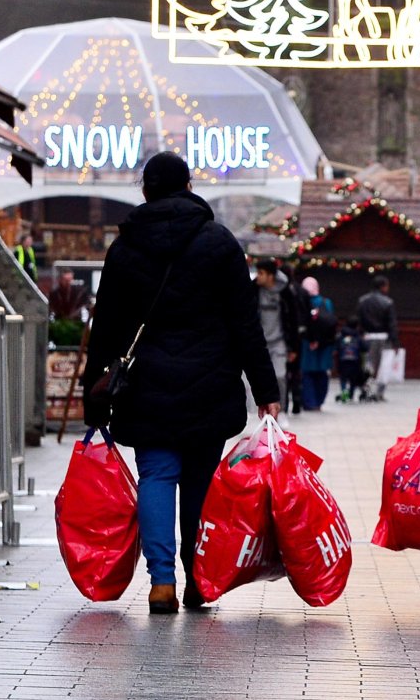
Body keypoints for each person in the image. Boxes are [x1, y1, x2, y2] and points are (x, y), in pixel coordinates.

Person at [82, 151, 280, 614]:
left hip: (146, 384)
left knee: (155, 474)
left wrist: (94, 395)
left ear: (146, 191)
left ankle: (161, 583)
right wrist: (266, 391)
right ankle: (198, 579)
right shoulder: (220, 242)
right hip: (209, 383)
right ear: (189, 187)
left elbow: (106, 326)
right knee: (198, 484)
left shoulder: (125, 247)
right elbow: (244, 324)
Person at [254, 258, 300, 427]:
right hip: (259, 343)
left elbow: (293, 320)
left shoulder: (285, 292)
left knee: (280, 375)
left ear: (271, 275)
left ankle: (281, 410)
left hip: (280, 341)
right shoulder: (254, 290)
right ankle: (263, 413)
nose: (257, 277)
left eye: (261, 273)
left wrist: (294, 346)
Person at [356, 275, 400, 401]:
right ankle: (379, 392)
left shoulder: (362, 301)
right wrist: (395, 342)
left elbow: (360, 321)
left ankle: (366, 389)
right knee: (384, 366)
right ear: (383, 286)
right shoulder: (388, 302)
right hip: (384, 338)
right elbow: (392, 324)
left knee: (368, 365)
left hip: (367, 336)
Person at [299, 276, 335, 411]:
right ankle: (319, 401)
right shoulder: (327, 303)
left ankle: (310, 402)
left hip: (307, 344)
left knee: (308, 375)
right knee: (322, 374)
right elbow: (331, 324)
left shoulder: (303, 302)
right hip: (325, 345)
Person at [280, 263, 309, 415]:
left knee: (282, 372)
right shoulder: (301, 291)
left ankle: (284, 404)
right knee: (296, 370)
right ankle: (297, 401)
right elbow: (308, 314)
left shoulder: (278, 291)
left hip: (282, 335)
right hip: (299, 334)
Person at [336, 316, 366, 402]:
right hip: (355, 362)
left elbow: (337, 346)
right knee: (353, 378)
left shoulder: (341, 335)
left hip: (343, 361)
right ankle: (351, 394)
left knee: (343, 378)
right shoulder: (357, 336)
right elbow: (365, 348)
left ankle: (344, 391)